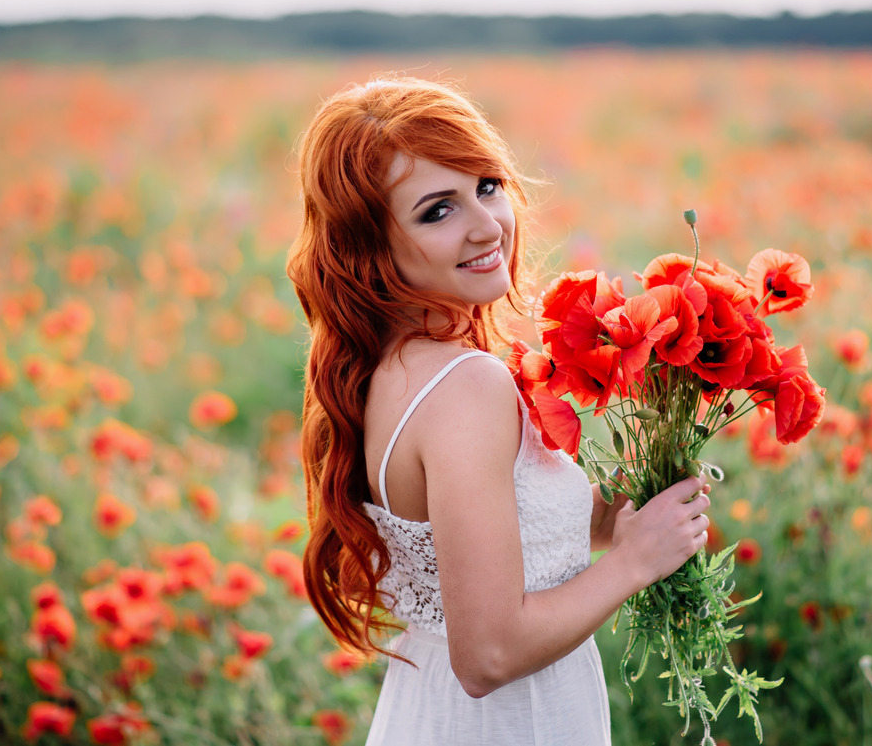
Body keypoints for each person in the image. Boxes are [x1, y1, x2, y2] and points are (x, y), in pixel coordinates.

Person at [285, 76, 712, 745]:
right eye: (437, 210)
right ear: (370, 246)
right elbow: (488, 654)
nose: (488, 224)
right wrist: (636, 560)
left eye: (487, 184)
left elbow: (486, 545)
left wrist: (611, 512)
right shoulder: (466, 385)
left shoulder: (379, 367)